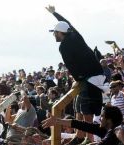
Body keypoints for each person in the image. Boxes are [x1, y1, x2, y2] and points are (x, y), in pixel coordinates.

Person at [45, 5, 105, 144]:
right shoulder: (75, 34)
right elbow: (68, 24)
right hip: (94, 73)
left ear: (60, 33)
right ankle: (79, 134)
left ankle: (88, 138)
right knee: (78, 105)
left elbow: (71, 65)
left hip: (90, 77)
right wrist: (55, 13)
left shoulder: (63, 46)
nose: (54, 34)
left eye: (55, 32)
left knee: (86, 107)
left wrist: (77, 79)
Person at [42, 105, 123, 145]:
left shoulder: (116, 130)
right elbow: (80, 124)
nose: (99, 119)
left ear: (109, 120)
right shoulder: (103, 129)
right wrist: (57, 121)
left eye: (102, 116)